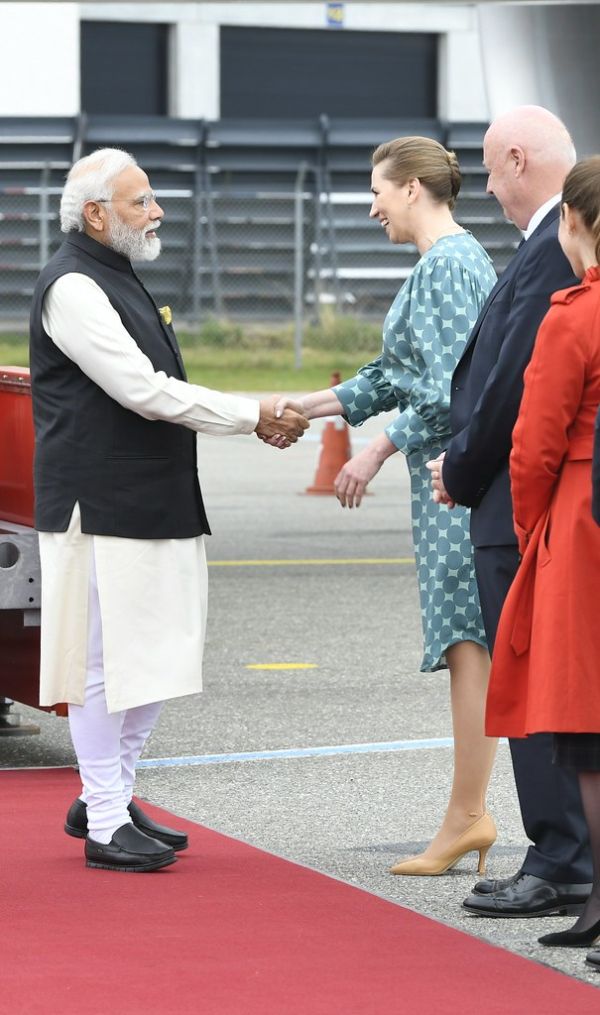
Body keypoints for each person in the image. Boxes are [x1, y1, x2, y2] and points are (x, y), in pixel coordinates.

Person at [29, 147, 308, 873]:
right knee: (102, 664)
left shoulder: (116, 276)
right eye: (139, 201)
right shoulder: (73, 286)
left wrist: (252, 414)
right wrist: (253, 413)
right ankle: (104, 814)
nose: (157, 213)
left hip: (152, 494)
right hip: (102, 501)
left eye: (152, 198)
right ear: (95, 214)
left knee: (155, 656)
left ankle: (107, 796)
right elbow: (142, 390)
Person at [274, 135, 499, 876]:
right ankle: (467, 811)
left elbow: (445, 391)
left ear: (411, 188)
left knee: (468, 641)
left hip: (451, 480)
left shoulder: (447, 266)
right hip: (446, 475)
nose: (372, 206)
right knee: (464, 638)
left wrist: (374, 449)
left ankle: (469, 813)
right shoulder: (447, 263)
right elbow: (390, 375)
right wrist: (305, 408)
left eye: (378, 190)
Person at [428, 106, 593, 916]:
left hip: (525, 507)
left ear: (520, 160)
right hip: (543, 501)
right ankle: (567, 848)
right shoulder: (548, 252)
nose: (487, 188)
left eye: (491, 170)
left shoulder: (551, 259)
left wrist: (459, 470)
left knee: (535, 679)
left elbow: (517, 395)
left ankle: (561, 853)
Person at [484, 157, 600, 961]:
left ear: (574, 223)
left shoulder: (574, 314)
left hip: (583, 522)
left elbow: (533, 447)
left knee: (587, 728)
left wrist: (534, 531)